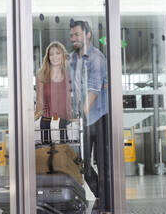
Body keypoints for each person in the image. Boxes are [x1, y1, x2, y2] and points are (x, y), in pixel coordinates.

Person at [69, 20, 110, 213]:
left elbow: (93, 91)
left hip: (98, 118)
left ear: (88, 35)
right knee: (81, 163)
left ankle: (107, 201)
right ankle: (103, 196)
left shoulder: (96, 57)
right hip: (83, 119)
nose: (73, 38)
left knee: (103, 164)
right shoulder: (73, 59)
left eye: (77, 34)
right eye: (71, 35)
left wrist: (81, 117)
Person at [35, 41, 72, 120]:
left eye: (58, 53)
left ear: (63, 55)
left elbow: (68, 103)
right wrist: (36, 123)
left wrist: (71, 122)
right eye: (51, 54)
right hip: (47, 123)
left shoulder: (68, 75)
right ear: (48, 57)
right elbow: (39, 102)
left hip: (64, 122)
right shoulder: (41, 75)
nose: (54, 57)